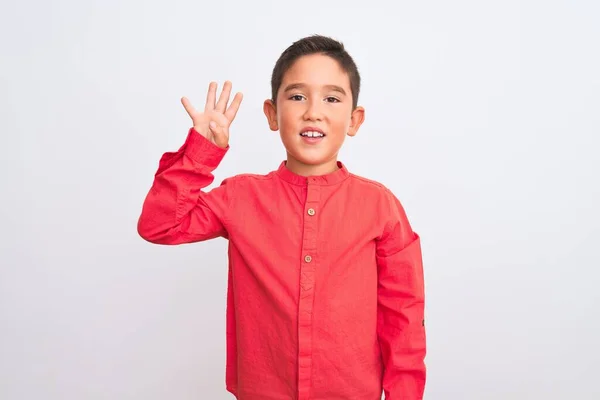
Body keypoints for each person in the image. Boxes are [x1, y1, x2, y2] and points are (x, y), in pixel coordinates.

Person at [137, 34, 426, 400]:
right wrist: (202, 151)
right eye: (297, 96)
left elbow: (404, 315)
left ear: (354, 120)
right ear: (273, 114)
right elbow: (160, 225)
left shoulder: (380, 207)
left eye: (332, 98)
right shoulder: (241, 196)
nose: (313, 111)